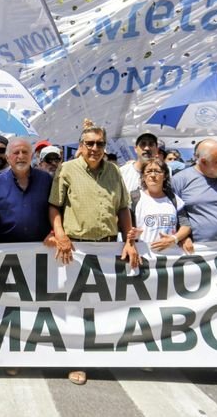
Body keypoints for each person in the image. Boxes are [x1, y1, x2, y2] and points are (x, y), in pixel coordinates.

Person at [48, 120, 137, 387]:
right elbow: (54, 207)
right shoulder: (67, 169)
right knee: (76, 307)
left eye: (100, 143)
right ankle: (76, 360)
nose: (95, 148)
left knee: (106, 305)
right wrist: (61, 235)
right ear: (81, 146)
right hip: (76, 249)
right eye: (90, 143)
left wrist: (128, 240)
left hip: (109, 247)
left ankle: (104, 354)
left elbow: (123, 208)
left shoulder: (113, 171)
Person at [0, 137, 53, 244]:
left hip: (43, 249)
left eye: (25, 152)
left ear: (31, 156)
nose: (21, 156)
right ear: (7, 158)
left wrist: (53, 233)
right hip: (6, 250)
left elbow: (55, 209)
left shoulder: (46, 179)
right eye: (16, 152)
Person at [132, 159, 192, 254]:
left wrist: (174, 238)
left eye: (157, 171)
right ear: (143, 176)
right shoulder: (133, 199)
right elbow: (125, 228)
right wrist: (132, 234)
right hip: (144, 256)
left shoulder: (174, 199)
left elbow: (186, 225)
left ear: (165, 176)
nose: (152, 175)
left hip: (171, 258)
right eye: (148, 171)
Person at [120, 132, 159, 198]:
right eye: (143, 144)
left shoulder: (163, 174)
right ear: (135, 149)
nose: (147, 148)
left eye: (151, 144)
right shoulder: (122, 172)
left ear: (157, 150)